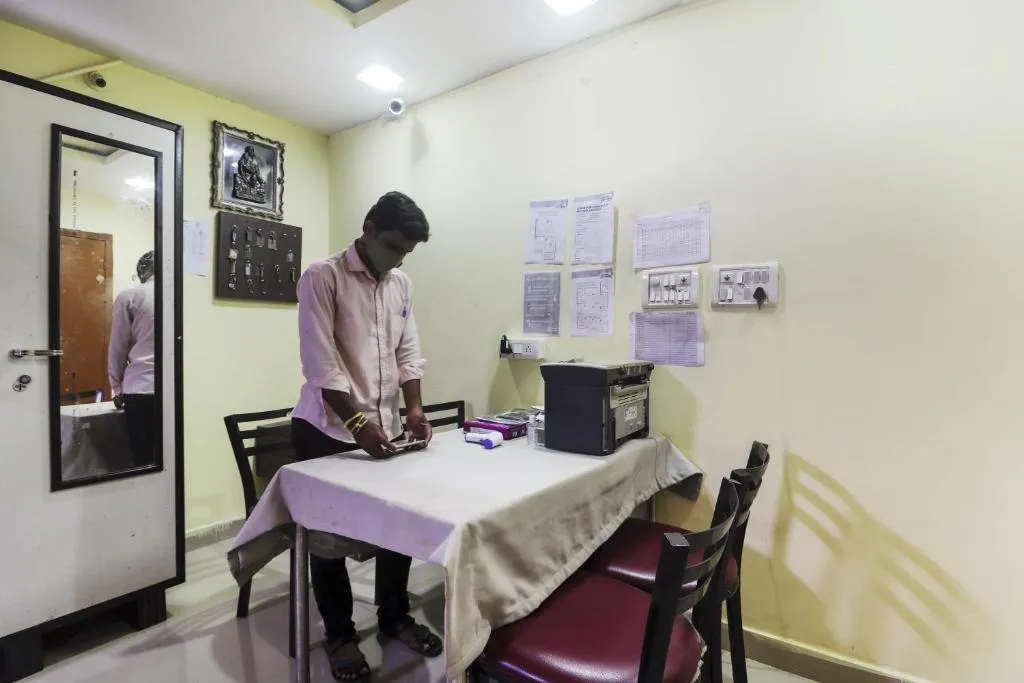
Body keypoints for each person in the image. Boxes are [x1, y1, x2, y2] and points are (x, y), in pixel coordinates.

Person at [291, 191, 440, 682]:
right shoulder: (323, 277)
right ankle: (339, 635)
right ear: (369, 229)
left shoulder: (401, 284)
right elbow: (320, 363)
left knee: (397, 525)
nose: (398, 259)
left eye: (406, 253)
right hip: (326, 429)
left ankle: (394, 617)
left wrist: (413, 408)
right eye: (393, 246)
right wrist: (357, 423)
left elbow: (408, 352)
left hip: (384, 425)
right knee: (328, 540)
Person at [109, 251, 156, 466]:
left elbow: (118, 348)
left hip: (141, 388)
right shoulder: (182, 297)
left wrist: (117, 388)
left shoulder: (130, 297)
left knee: (144, 460)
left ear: (142, 272)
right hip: (178, 390)